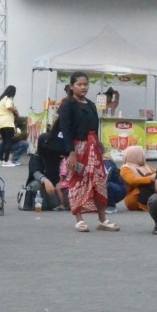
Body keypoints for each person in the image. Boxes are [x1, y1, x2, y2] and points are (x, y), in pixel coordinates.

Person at [57, 73, 117, 233]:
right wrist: (71, 152)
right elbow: (66, 131)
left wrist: (98, 143)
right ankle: (79, 220)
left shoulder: (90, 104)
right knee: (77, 181)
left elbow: (94, 127)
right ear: (72, 87)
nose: (83, 87)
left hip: (93, 148)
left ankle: (103, 219)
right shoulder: (67, 105)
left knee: (99, 181)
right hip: (77, 149)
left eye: (86, 84)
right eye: (79, 84)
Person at [0, 86, 28, 165]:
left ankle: (0, 160)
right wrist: (15, 110)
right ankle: (7, 161)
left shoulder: (0, 100)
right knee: (8, 142)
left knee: (5, 141)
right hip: (7, 123)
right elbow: (9, 106)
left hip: (0, 122)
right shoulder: (8, 99)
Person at [119, 144, 156, 211]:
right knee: (149, 182)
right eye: (141, 155)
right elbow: (132, 180)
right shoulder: (125, 168)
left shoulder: (145, 166)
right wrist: (150, 179)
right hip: (133, 199)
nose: (143, 157)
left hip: (144, 194)